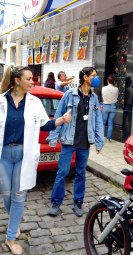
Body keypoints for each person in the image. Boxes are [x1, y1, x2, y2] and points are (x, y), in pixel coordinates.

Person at [0, 65, 72, 255]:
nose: (33, 82)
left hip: (24, 154)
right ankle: (15, 221)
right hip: (3, 155)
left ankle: (11, 237)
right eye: (29, 79)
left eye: (32, 79)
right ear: (17, 81)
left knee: (19, 196)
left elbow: (45, 124)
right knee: (7, 195)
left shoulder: (35, 102)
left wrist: (61, 120)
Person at [47, 66, 104, 217]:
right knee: (62, 172)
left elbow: (98, 120)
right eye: (93, 75)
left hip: (84, 142)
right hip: (69, 141)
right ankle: (55, 202)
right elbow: (59, 115)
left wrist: (99, 141)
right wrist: (53, 137)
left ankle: (78, 201)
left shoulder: (94, 98)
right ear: (85, 77)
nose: (96, 78)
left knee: (81, 173)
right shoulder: (69, 95)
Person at [101, 74, 119, 142]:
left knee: (103, 123)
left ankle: (102, 138)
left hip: (105, 106)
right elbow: (116, 97)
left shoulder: (103, 88)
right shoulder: (116, 89)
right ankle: (108, 139)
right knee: (110, 123)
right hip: (113, 106)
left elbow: (103, 96)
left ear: (108, 81)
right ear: (113, 81)